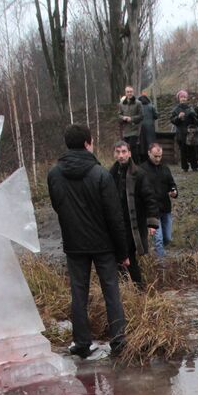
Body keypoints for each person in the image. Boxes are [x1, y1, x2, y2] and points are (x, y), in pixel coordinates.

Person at [46, 124, 128, 359]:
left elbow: (57, 207)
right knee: (111, 290)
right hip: (103, 244)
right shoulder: (100, 174)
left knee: (78, 293)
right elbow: (115, 217)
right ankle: (118, 340)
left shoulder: (54, 175)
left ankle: (82, 342)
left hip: (74, 243)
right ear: (87, 144)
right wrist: (123, 252)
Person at [109, 141, 159, 285]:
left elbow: (150, 198)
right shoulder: (111, 173)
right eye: (118, 152)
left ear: (129, 153)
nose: (121, 155)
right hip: (117, 224)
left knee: (128, 255)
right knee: (119, 257)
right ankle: (127, 288)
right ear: (114, 154)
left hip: (134, 224)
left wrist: (152, 223)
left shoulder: (139, 174)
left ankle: (138, 288)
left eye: (124, 152)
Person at [138, 141, 177, 258]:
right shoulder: (141, 170)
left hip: (165, 208)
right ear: (149, 153)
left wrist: (174, 192)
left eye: (160, 156)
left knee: (167, 238)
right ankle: (161, 265)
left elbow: (172, 184)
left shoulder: (165, 169)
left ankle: (158, 253)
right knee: (158, 239)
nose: (158, 159)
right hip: (151, 210)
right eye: (155, 156)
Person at [171, 91, 198, 172]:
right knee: (183, 151)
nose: (183, 99)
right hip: (180, 133)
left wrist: (193, 115)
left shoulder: (190, 108)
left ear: (187, 98)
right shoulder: (176, 109)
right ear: (179, 99)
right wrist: (178, 117)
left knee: (192, 150)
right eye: (181, 97)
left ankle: (194, 166)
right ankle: (185, 167)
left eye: (184, 97)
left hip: (191, 133)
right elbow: (172, 120)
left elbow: (196, 121)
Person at [118, 86, 142, 155]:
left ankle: (136, 164)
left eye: (131, 92)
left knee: (132, 147)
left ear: (133, 92)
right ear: (125, 93)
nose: (129, 93)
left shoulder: (138, 103)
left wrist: (131, 119)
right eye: (128, 92)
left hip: (135, 130)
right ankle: (129, 164)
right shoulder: (121, 104)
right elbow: (119, 116)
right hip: (125, 130)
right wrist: (123, 118)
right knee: (126, 149)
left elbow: (141, 116)